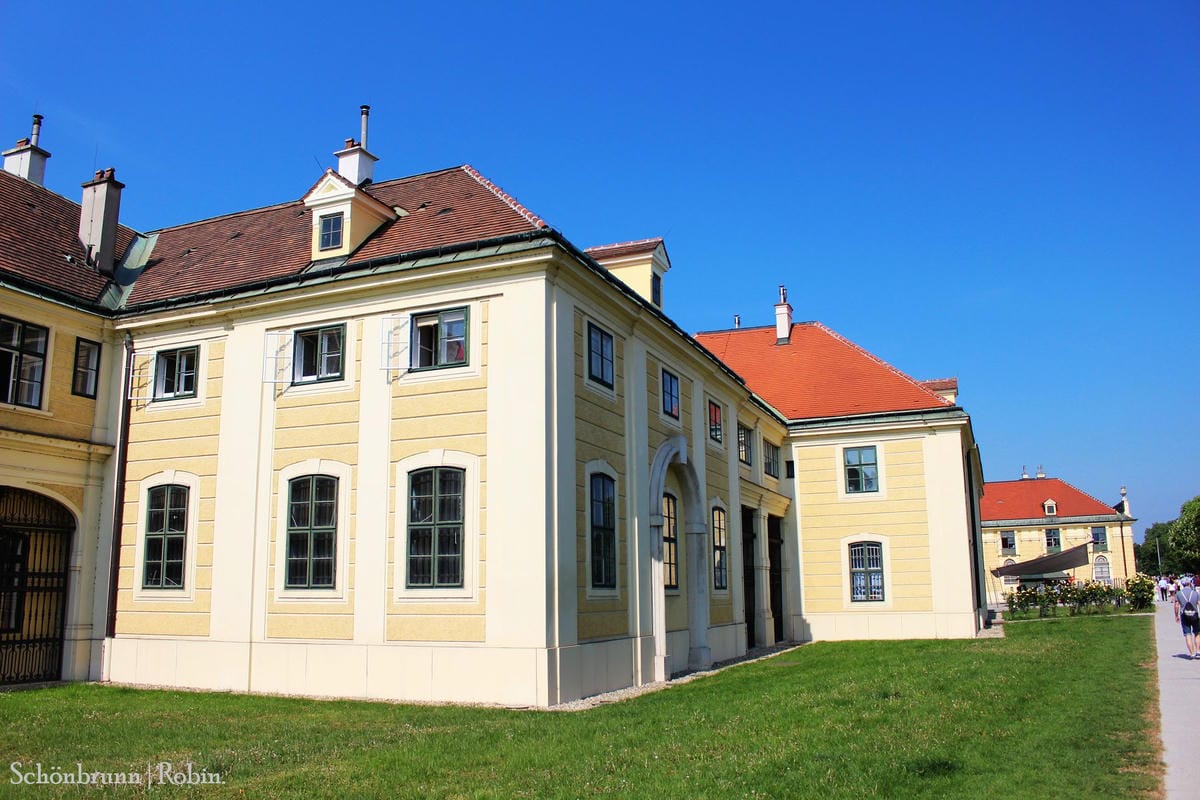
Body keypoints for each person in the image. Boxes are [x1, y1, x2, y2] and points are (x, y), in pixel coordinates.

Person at [1173, 576, 1200, 660]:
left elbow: (1176, 605)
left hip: (1184, 615)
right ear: (1189, 583)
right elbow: (1199, 603)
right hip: (1195, 614)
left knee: (1187, 634)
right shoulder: (1195, 593)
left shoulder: (1179, 594)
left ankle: (1192, 653)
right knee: (1197, 633)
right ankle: (1198, 651)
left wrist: (1176, 615)